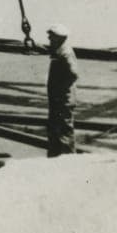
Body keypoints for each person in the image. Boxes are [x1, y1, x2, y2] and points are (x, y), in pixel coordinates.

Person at [45, 23, 80, 158]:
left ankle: (68, 159)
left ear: (59, 38)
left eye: (51, 37)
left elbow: (73, 73)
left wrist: (61, 88)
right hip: (58, 99)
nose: (49, 40)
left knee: (64, 131)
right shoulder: (60, 50)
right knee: (55, 129)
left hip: (63, 99)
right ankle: (55, 156)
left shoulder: (65, 53)